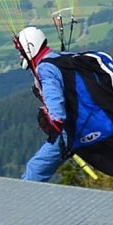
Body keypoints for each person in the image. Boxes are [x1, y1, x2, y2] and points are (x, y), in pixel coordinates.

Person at [15, 26, 72, 182]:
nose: (20, 56)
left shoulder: (45, 69)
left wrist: (51, 122)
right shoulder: (57, 58)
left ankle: (25, 197)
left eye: (22, 52)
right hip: (84, 121)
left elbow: (58, 115)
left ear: (30, 48)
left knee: (34, 170)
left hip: (71, 131)